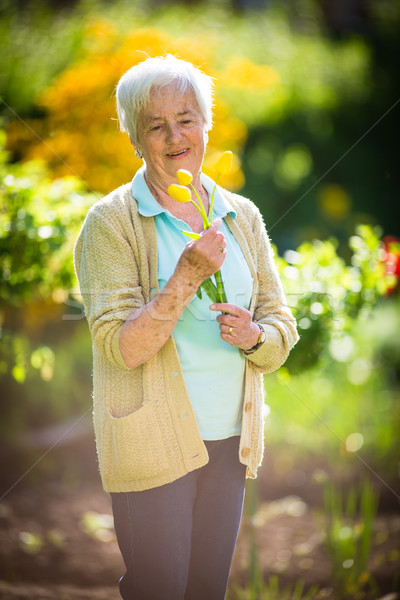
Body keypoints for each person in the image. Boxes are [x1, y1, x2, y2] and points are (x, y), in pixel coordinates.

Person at [74, 54, 298, 600]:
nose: (176, 136)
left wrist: (255, 338)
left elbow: (281, 325)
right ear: (134, 136)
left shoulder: (239, 214)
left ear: (207, 123)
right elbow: (120, 347)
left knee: (205, 591)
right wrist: (189, 275)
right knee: (159, 590)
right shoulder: (111, 222)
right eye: (156, 124)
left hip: (230, 442)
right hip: (151, 443)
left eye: (187, 117)